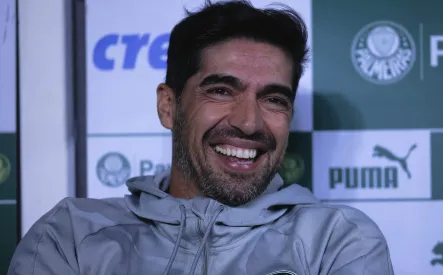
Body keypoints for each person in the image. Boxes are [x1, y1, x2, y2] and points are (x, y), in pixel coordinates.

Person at [8, 1, 394, 274]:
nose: (249, 123)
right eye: (222, 91)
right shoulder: (71, 235)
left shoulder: (337, 241)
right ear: (169, 106)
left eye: (274, 99)